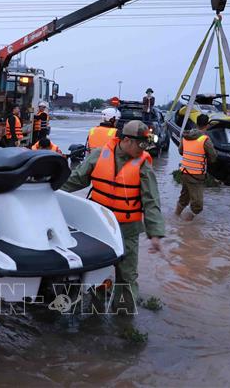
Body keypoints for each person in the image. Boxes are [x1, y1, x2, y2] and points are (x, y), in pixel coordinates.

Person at [61, 120, 165, 312]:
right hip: (99, 226)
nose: (143, 149)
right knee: (96, 271)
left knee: (126, 275)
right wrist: (49, 189)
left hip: (128, 229)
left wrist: (155, 234)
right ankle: (95, 312)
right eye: (140, 144)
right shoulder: (99, 155)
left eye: (146, 144)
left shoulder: (143, 165)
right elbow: (75, 180)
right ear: (126, 140)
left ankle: (124, 318)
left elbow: (151, 200)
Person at [175, 113, 218, 220]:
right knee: (197, 205)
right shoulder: (204, 139)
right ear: (207, 125)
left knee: (184, 199)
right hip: (196, 177)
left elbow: (180, 151)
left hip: (184, 173)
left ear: (196, 123)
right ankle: (186, 226)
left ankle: (175, 218)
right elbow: (213, 157)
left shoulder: (186, 136)